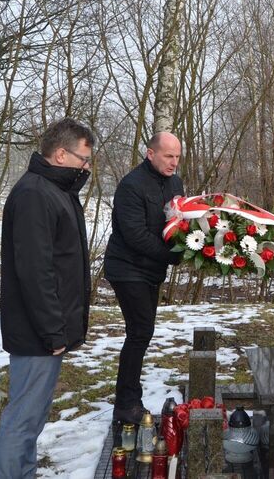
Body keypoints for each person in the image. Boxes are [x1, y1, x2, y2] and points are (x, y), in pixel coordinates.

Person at [0, 118, 94, 479]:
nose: (87, 166)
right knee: (22, 420)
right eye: (84, 158)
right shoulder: (36, 194)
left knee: (31, 418)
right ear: (61, 154)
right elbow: (35, 272)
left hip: (46, 331)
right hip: (37, 333)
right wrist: (53, 330)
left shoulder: (56, 191)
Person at [104, 131, 184, 423]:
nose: (173, 162)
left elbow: (178, 223)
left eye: (177, 156)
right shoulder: (131, 186)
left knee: (142, 332)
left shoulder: (175, 182)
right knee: (140, 332)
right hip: (126, 267)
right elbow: (135, 235)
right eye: (168, 156)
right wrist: (174, 256)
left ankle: (129, 398)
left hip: (152, 269)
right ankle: (126, 404)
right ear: (151, 154)